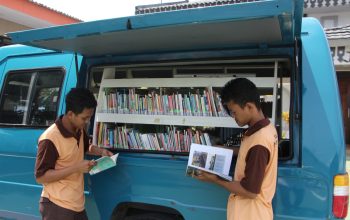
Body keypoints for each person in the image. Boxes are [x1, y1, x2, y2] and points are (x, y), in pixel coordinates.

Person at [195, 78, 278, 220]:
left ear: (249, 107)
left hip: (250, 214)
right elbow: (251, 153)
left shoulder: (259, 141)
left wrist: (215, 180)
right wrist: (227, 149)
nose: (233, 117)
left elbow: (250, 191)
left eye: (234, 112)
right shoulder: (265, 129)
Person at [34, 88, 113, 220]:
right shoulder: (50, 138)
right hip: (57, 206)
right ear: (70, 114)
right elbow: (41, 177)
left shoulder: (79, 129)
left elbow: (86, 146)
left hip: (77, 205)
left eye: (90, 117)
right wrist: (76, 168)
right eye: (85, 118)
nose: (87, 121)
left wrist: (101, 152)